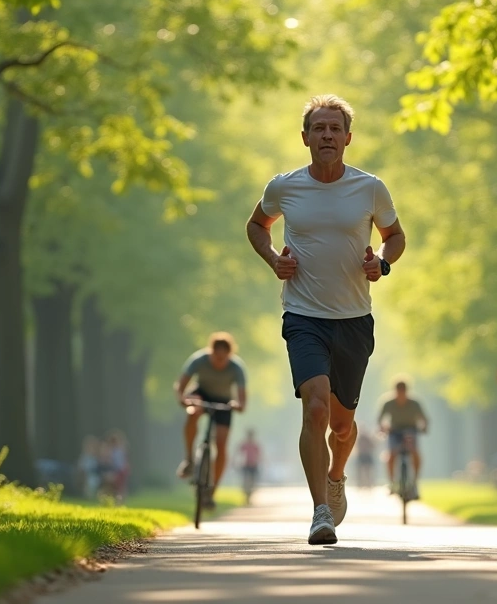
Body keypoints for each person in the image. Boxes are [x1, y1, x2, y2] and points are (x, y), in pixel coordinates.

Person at [246, 94, 406, 545]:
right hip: (303, 314)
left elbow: (395, 236)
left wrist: (383, 264)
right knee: (314, 406)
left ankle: (337, 474)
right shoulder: (285, 186)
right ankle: (320, 511)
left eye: (335, 128)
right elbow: (256, 226)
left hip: (354, 318)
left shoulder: (369, 187)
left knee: (341, 425)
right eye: (319, 128)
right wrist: (273, 257)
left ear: (348, 138)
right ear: (305, 138)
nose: (327, 136)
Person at [174, 332, 247, 509]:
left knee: (221, 445)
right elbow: (181, 385)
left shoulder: (237, 367)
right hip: (201, 395)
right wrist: (183, 398)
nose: (219, 362)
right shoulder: (198, 360)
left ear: (229, 355)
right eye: (216, 357)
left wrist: (236, 405)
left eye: (223, 359)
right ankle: (189, 459)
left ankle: (211, 492)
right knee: (193, 412)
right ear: (211, 352)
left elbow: (242, 400)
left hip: (223, 401)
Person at [377, 379, 428, 499]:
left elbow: (424, 418)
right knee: (391, 454)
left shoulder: (415, 404)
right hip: (394, 432)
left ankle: (415, 483)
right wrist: (383, 428)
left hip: (411, 430)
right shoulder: (388, 403)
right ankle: (392, 483)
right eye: (399, 391)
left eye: (403, 391)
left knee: (414, 452)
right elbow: (380, 419)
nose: (401, 393)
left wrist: (424, 427)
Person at [238, 429, 262, 505]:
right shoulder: (244, 445)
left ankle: (249, 495)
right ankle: (246, 495)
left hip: (253, 465)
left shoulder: (255, 445)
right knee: (245, 481)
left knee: (252, 481)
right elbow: (239, 453)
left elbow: (259, 455)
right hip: (246, 465)